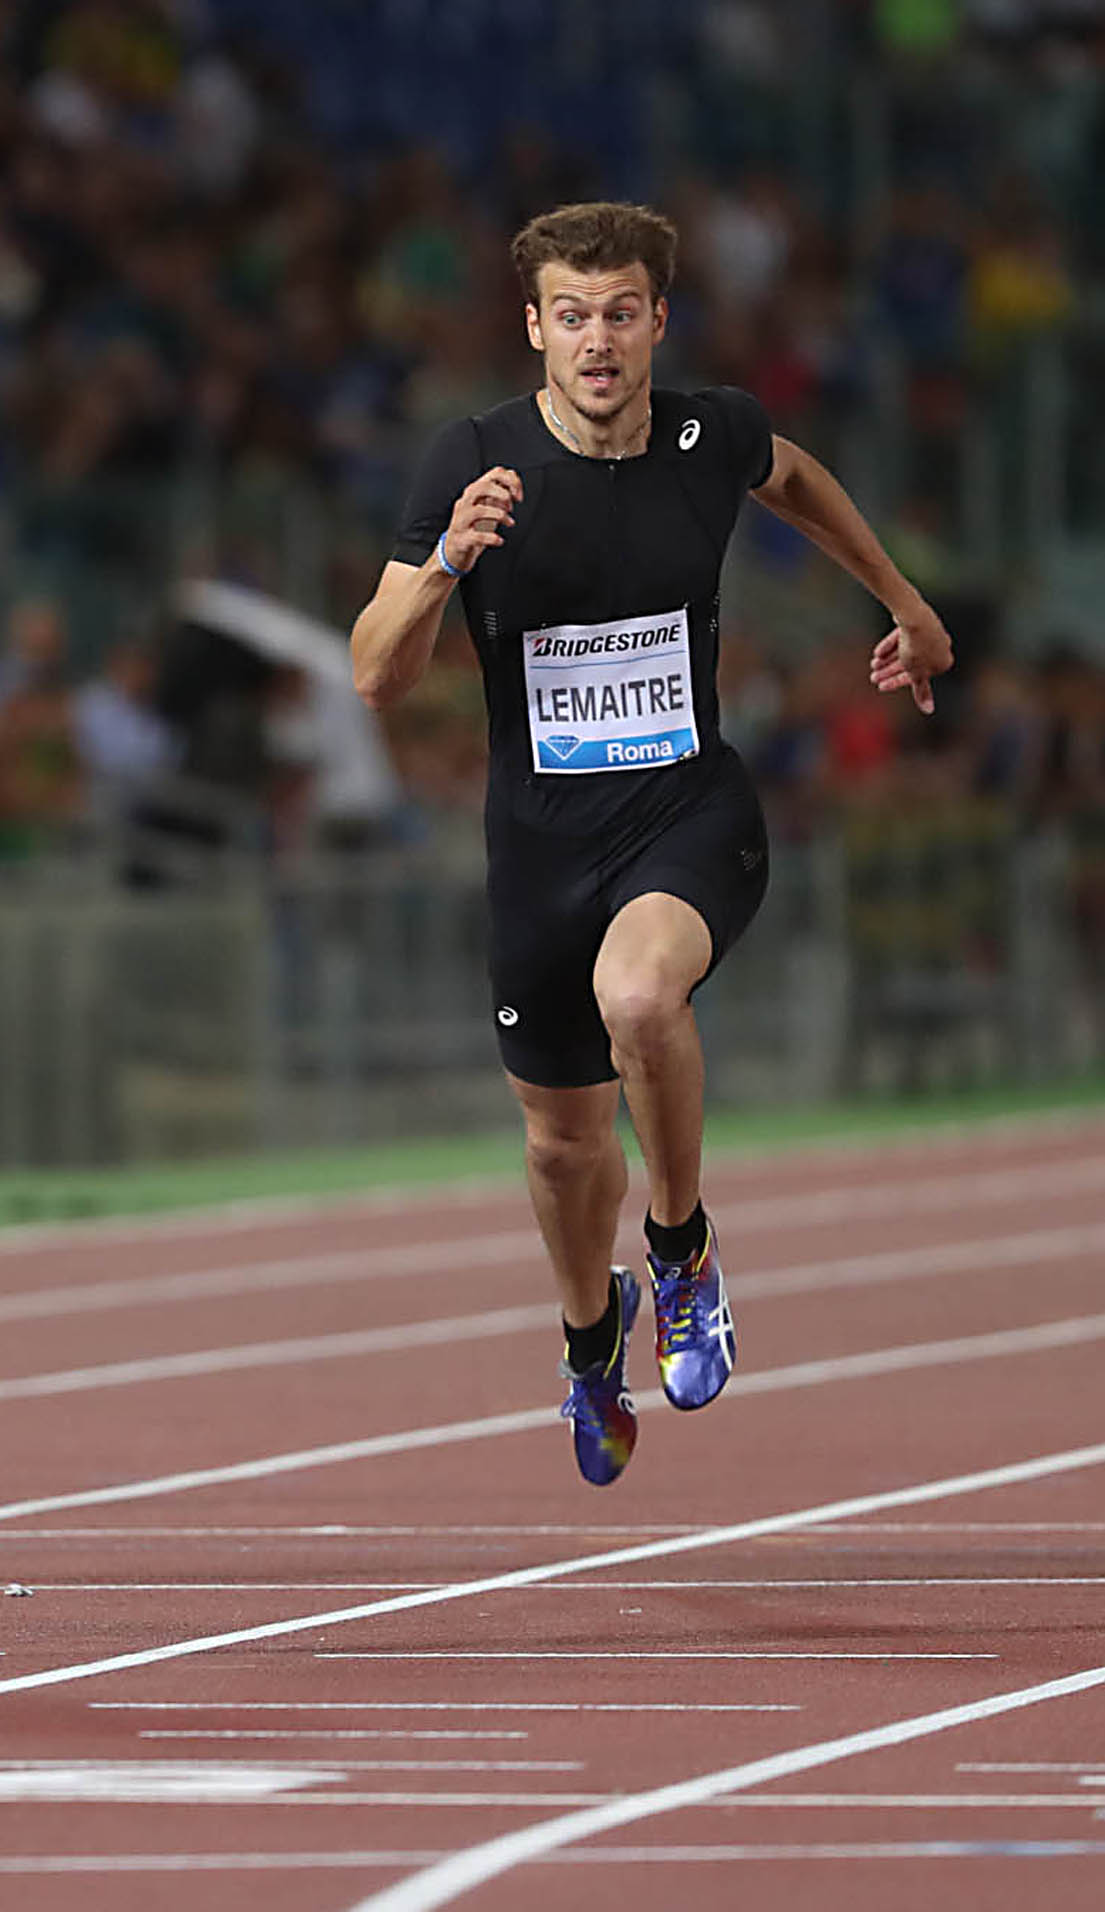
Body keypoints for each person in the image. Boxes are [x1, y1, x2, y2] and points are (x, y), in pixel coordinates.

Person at [350, 202, 953, 1486]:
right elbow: (375, 675)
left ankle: (681, 1251)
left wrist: (902, 601)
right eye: (571, 316)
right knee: (565, 1146)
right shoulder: (473, 460)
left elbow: (792, 476)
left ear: (657, 320)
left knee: (640, 996)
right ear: (534, 329)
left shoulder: (706, 432)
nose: (598, 340)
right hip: (540, 851)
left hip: (689, 815)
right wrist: (445, 560)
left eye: (620, 313)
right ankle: (590, 1339)